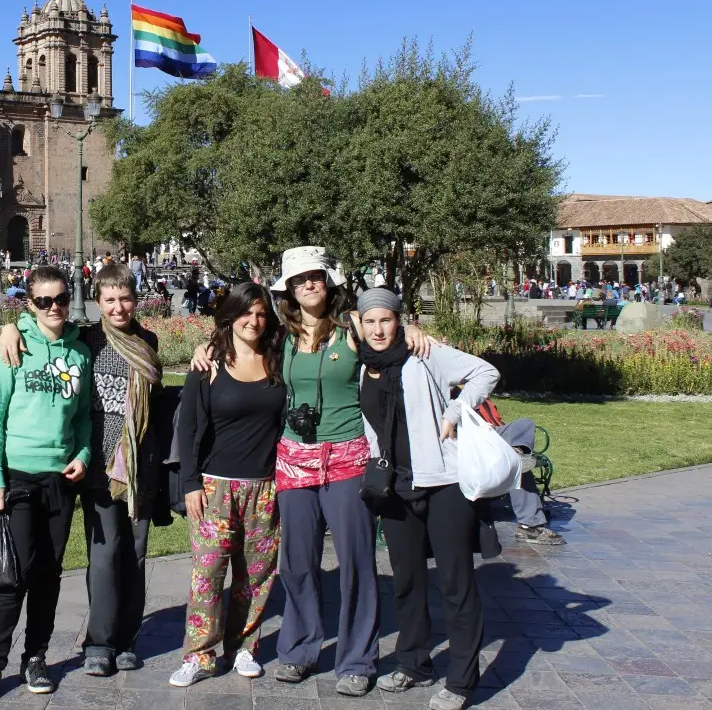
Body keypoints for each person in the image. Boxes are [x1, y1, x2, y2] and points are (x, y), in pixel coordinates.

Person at [190, 247, 431, 697]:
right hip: (294, 462)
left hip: (346, 458)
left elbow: (389, 344)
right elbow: (236, 340)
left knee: (356, 561)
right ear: (291, 290)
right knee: (297, 562)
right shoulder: (279, 336)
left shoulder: (352, 329)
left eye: (316, 277)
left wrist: (411, 329)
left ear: (328, 282)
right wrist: (206, 347)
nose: (309, 286)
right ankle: (299, 648)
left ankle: (357, 658)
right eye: (300, 280)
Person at [0, 262, 164, 677]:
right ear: (98, 303)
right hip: (98, 467)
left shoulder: (149, 340)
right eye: (110, 300)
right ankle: (99, 642)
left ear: (135, 298)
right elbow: (42, 320)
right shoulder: (87, 338)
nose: (119, 306)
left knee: (136, 555)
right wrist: (10, 326)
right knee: (105, 554)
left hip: (140, 466)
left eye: (125, 297)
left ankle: (126, 639)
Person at [356, 287, 498, 710]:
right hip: (395, 487)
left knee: (456, 583)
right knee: (407, 582)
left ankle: (461, 680)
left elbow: (485, 372)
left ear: (400, 320)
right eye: (370, 321)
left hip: (443, 483)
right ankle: (415, 663)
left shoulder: (426, 353)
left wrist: (455, 412)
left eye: (386, 320)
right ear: (359, 325)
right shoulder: (365, 364)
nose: (379, 329)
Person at [0, 266, 91, 705]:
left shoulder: (80, 352)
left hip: (60, 477)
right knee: (12, 576)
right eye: (43, 301)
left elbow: (83, 419)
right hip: (17, 477)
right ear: (30, 305)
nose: (54, 307)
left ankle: (35, 656)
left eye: (60, 299)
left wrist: (83, 455)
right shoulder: (11, 348)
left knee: (48, 574)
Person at [169, 282, 285, 688]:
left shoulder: (277, 361)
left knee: (255, 575)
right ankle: (200, 654)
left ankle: (244, 647)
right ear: (231, 316)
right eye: (246, 313)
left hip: (265, 486)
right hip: (215, 487)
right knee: (209, 573)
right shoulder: (209, 365)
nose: (253, 321)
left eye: (260, 314)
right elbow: (188, 428)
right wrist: (190, 482)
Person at [492, 417, 564, 545]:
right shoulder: (454, 401)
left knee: (525, 423)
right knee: (517, 469)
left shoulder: (478, 401)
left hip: (490, 434)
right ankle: (529, 526)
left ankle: (518, 453)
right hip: (467, 438)